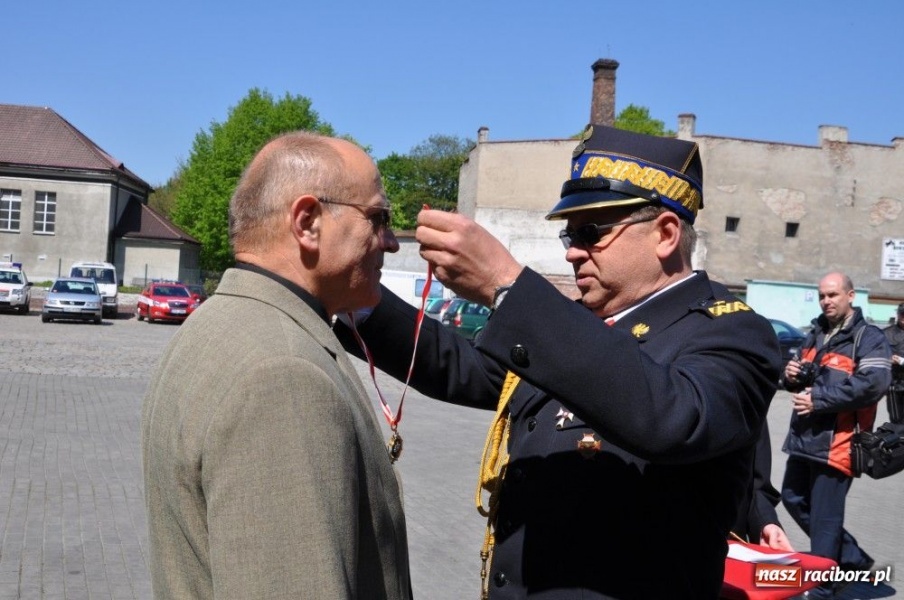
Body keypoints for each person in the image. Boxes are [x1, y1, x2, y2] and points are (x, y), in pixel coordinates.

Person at [334, 124, 782, 599]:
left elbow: (672, 419)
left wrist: (508, 285)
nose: (571, 251)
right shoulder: (575, 326)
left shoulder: (731, 331)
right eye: (570, 233)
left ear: (666, 234)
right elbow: (464, 366)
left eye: (591, 233)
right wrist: (356, 296)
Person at [141, 131, 412, 599]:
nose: (390, 243)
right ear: (308, 223)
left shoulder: (221, 323)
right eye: (378, 217)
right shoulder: (283, 375)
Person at [780, 272, 891, 599]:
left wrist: (819, 399)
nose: (827, 301)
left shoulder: (868, 337)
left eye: (833, 295)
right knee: (792, 497)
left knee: (826, 519)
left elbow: (874, 384)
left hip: (838, 443)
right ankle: (853, 559)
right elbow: (801, 376)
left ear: (851, 295)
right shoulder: (815, 332)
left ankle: (822, 586)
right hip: (803, 438)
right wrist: (790, 376)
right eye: (822, 296)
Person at [733, 422, 794, 551]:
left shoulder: (746, 403)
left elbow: (757, 484)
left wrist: (766, 522)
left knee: (791, 571)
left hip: (730, 550)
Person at [883, 303, 904, 423]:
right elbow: (877, 355)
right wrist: (887, 359)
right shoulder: (885, 333)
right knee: (896, 421)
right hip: (894, 385)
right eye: (902, 314)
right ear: (898, 314)